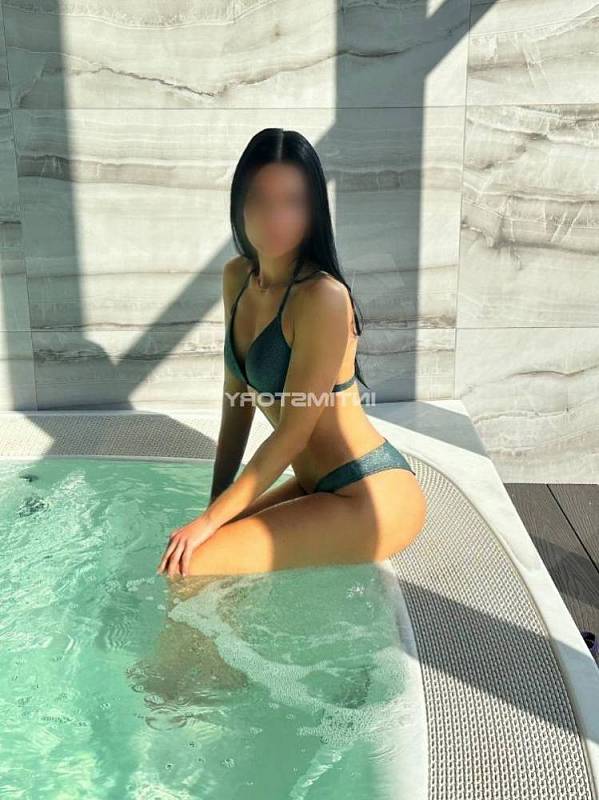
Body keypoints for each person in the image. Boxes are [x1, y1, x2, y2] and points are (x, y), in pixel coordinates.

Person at [157, 128, 426, 578]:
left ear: (313, 210)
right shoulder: (237, 277)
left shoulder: (322, 298)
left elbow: (293, 435)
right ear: (240, 205)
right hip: (310, 484)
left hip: (369, 493)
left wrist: (209, 525)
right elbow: (236, 402)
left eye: (293, 202)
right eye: (260, 200)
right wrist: (214, 507)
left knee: (191, 566)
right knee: (192, 553)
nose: (275, 218)